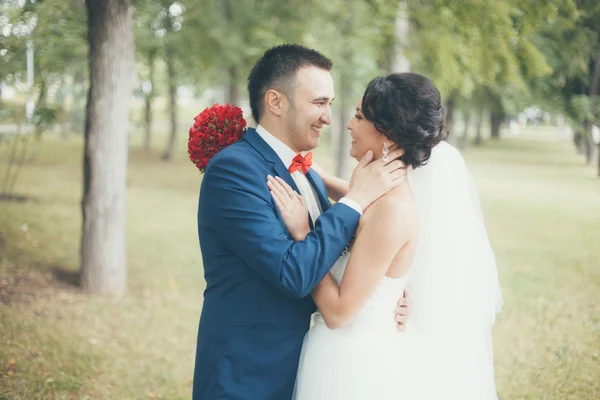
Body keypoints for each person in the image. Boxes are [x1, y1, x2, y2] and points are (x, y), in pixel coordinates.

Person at [192, 44, 411, 400]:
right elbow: (294, 273)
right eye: (319, 103)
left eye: (330, 104)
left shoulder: (305, 170)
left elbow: (331, 251)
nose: (329, 117)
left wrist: (383, 294)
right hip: (248, 376)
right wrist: (355, 199)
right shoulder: (234, 171)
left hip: (308, 370)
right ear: (276, 102)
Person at [270, 72, 503, 399]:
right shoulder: (378, 193)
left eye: (359, 117)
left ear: (389, 137)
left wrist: (304, 234)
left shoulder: (392, 211)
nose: (349, 125)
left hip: (353, 364)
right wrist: (313, 174)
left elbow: (338, 313)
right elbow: (357, 201)